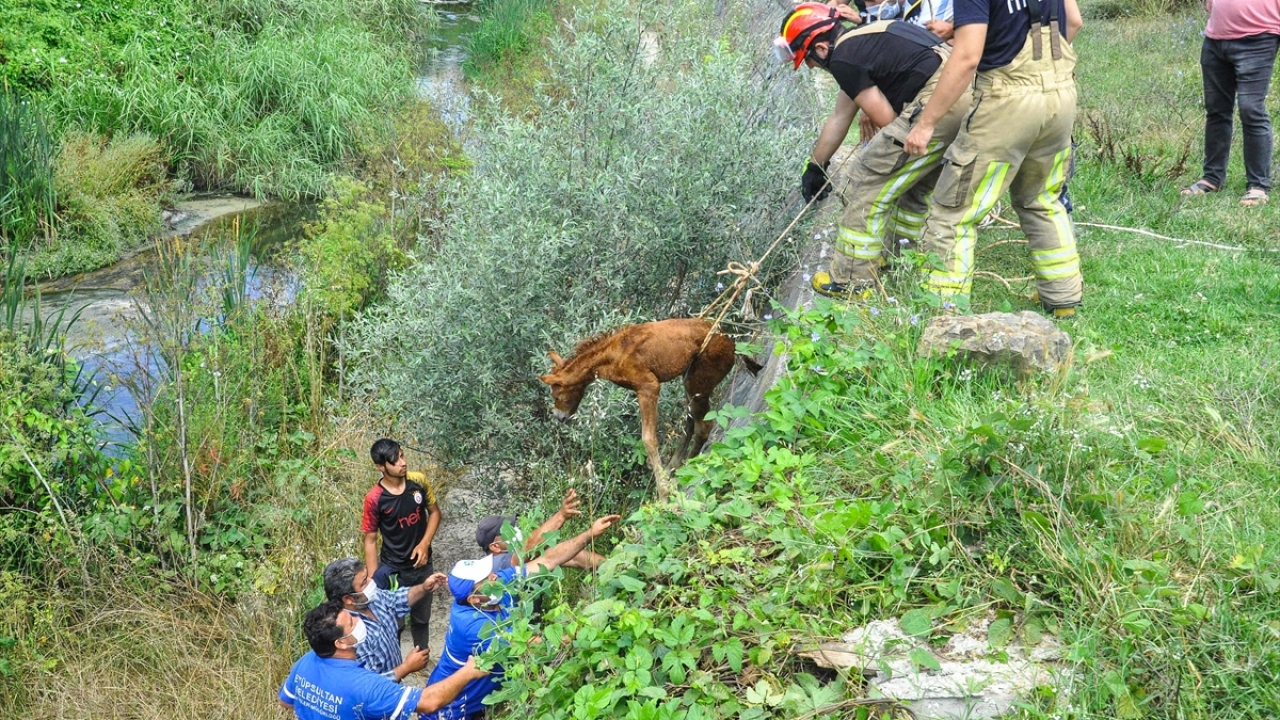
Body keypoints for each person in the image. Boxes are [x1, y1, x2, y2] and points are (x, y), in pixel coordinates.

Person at [777, 3, 973, 297]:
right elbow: (840, 117)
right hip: (964, 96)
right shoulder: (864, 40)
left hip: (937, 104)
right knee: (912, 186)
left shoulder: (844, 59)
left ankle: (852, 279)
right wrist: (816, 166)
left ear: (819, 48)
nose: (810, 66)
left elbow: (887, 122)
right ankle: (899, 260)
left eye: (807, 59)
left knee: (864, 181)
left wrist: (895, 144)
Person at [904, 0, 1085, 318]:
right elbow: (1073, 21)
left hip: (1006, 100)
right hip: (1061, 95)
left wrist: (926, 123)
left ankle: (944, 313)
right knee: (1043, 198)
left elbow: (966, 58)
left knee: (955, 211)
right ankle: (1064, 301)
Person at [420, 513, 622, 720]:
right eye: (484, 580)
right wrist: (591, 625)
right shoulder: (473, 627)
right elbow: (537, 645)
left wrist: (590, 533)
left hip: (476, 702)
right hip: (447, 711)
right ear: (474, 598)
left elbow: (549, 559)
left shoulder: (495, 584)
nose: (493, 576)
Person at [278, 600, 487, 720]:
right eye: (352, 622)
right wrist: (468, 671)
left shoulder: (306, 662)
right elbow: (429, 702)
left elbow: (285, 701)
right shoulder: (365, 685)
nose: (359, 619)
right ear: (340, 643)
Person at [1181, 0, 1280, 207]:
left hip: (1260, 38)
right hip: (1216, 39)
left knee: (1251, 109)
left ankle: (1258, 186)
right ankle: (1212, 178)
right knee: (1216, 110)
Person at [362, 438, 442, 651]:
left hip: (423, 564)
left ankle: (422, 658)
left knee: (422, 617)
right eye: (395, 460)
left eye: (402, 455)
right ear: (381, 466)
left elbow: (434, 513)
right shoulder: (375, 498)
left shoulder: (418, 481)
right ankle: (397, 665)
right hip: (394, 570)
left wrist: (424, 544)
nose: (402, 462)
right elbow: (370, 540)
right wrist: (373, 579)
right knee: (394, 622)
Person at [322, 557, 448, 681]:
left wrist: (424, 588)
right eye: (364, 582)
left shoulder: (371, 598)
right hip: (382, 697)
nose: (372, 582)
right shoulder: (350, 634)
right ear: (348, 599)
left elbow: (397, 599)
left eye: (367, 576)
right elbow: (368, 686)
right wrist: (406, 667)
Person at [476, 488, 604, 573]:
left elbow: (574, 557)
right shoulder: (496, 567)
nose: (515, 530)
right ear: (495, 547)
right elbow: (528, 547)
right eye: (508, 531)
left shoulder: (523, 557)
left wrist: (614, 566)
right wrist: (561, 515)